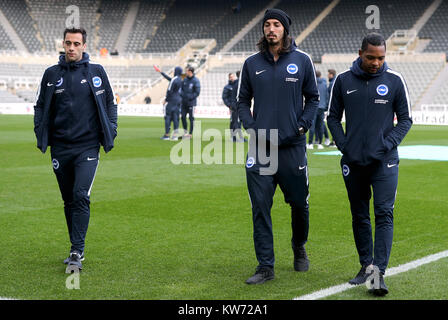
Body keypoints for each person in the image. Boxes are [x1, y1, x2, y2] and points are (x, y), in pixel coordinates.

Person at [237, 8, 319, 284]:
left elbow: (314, 99)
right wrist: (252, 127)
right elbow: (241, 103)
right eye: (267, 25)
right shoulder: (251, 63)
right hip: (261, 148)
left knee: (299, 205)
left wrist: (301, 126)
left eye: (276, 25)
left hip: (292, 147)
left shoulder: (302, 60)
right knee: (260, 207)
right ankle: (265, 266)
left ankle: (298, 246)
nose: (271, 29)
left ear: (285, 29)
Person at [327, 32, 412, 296]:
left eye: (381, 57)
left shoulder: (394, 81)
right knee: (360, 215)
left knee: (384, 214)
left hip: (384, 163)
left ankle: (379, 274)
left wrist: (386, 145)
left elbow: (406, 120)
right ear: (360, 53)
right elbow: (332, 118)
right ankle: (365, 266)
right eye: (371, 57)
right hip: (353, 162)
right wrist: (344, 145)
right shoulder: (342, 81)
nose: (376, 62)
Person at [33, 27, 118, 273]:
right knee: (68, 199)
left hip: (87, 148)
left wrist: (112, 128)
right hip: (60, 148)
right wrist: (39, 128)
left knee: (81, 195)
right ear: (63, 44)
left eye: (76, 44)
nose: (71, 47)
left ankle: (76, 251)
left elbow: (110, 102)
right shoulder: (51, 74)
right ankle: (75, 247)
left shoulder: (97, 72)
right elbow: (39, 105)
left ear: (83, 46)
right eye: (68, 43)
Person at [154, 65, 183, 140]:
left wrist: (166, 100)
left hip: (171, 101)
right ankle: (175, 136)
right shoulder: (181, 79)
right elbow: (169, 79)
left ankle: (166, 135)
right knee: (176, 118)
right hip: (178, 101)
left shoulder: (174, 79)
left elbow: (169, 90)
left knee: (168, 117)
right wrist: (161, 72)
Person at [307, 70, 327, 150]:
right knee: (320, 126)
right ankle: (319, 143)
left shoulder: (313, 84)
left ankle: (310, 143)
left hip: (315, 106)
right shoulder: (325, 84)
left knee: (312, 126)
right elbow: (327, 95)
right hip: (322, 107)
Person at [222, 72, 245, 142]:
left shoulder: (236, 84)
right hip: (233, 106)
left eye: (233, 76)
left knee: (235, 121)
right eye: (230, 77)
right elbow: (225, 97)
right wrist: (229, 105)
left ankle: (235, 137)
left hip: (236, 105)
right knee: (235, 122)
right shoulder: (229, 87)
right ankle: (236, 137)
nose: (232, 78)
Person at [180, 66, 200, 139]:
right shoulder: (184, 80)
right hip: (183, 102)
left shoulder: (196, 81)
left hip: (191, 102)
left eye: (187, 71)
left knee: (191, 118)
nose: (185, 72)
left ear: (190, 72)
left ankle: (190, 134)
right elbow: (181, 89)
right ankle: (185, 133)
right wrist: (182, 95)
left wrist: (190, 97)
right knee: (182, 117)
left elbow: (197, 92)